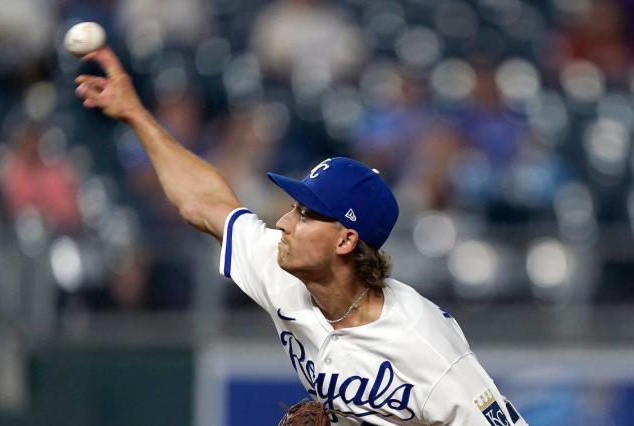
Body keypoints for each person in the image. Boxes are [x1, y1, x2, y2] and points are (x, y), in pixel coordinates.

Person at [74, 46, 528, 425]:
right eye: (293, 209)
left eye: (306, 215)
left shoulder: (423, 344)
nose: (284, 223)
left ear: (346, 241)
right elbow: (205, 203)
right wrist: (136, 115)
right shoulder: (282, 268)